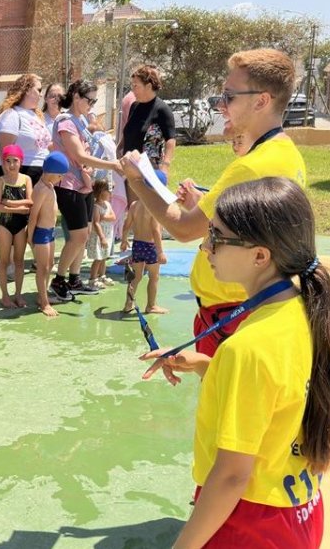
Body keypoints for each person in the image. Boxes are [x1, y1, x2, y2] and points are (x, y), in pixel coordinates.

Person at [140, 178, 330, 549]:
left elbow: (231, 476)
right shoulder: (304, 311)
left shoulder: (247, 348)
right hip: (298, 510)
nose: (205, 246)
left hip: (248, 523)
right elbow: (279, 399)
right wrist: (206, 365)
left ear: (260, 256)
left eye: (217, 237)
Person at [121, 49, 307, 360]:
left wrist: (136, 180)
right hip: (244, 310)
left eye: (230, 96)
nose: (222, 105)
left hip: (232, 316)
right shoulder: (286, 154)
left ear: (261, 100)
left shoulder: (250, 168)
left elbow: (183, 228)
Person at [49, 80, 122, 302]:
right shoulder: (65, 122)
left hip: (84, 185)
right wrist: (112, 165)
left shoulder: (80, 120)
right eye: (89, 100)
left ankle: (74, 279)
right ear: (76, 98)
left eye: (95, 100)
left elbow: (86, 152)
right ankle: (58, 280)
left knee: (84, 233)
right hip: (68, 185)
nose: (92, 104)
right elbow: (79, 155)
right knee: (79, 235)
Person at [119, 173, 168, 315]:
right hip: (150, 246)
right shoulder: (155, 206)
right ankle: (151, 306)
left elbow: (126, 225)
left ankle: (128, 304)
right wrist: (160, 252)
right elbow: (155, 230)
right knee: (154, 277)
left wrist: (123, 240)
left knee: (136, 277)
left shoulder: (135, 204)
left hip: (137, 245)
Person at [0, 144, 32, 309]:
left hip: (21, 227)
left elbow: (30, 202)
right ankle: (5, 295)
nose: (11, 164)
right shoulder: (0, 181)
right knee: (3, 261)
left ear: (21, 161)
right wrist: (18, 208)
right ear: (3, 162)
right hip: (5, 225)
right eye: (8, 161)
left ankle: (18, 294)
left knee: (19, 261)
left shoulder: (26, 180)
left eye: (15, 160)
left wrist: (7, 202)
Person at [118, 65, 176, 178]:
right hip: (128, 169)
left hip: (149, 171)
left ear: (148, 86)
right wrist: (119, 148)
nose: (133, 89)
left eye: (136, 86)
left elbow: (171, 140)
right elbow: (129, 131)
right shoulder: (134, 106)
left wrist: (165, 166)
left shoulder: (162, 110)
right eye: (132, 85)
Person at [0, 74, 52, 184]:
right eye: (39, 90)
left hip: (42, 174)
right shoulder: (11, 115)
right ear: (28, 90)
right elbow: (5, 151)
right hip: (22, 175)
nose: (41, 94)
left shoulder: (36, 116)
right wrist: (11, 183)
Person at [29, 153, 66, 318]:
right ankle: (43, 302)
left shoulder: (49, 186)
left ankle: (42, 295)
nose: (60, 178)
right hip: (41, 233)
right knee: (42, 268)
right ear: (51, 171)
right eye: (59, 175)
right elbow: (33, 215)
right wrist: (30, 237)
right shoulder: (41, 189)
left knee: (49, 265)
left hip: (50, 232)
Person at [86, 179, 117, 289]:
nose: (111, 193)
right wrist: (102, 237)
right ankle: (93, 279)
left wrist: (104, 217)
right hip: (99, 236)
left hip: (107, 234)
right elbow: (96, 223)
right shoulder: (96, 207)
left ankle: (102, 275)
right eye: (109, 190)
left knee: (104, 257)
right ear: (101, 191)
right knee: (98, 258)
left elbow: (113, 217)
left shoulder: (107, 204)